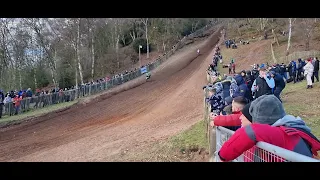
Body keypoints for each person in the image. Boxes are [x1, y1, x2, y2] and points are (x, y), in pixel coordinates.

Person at [217, 95, 320, 162]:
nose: (241, 118)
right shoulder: (287, 126)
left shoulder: (278, 132)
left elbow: (250, 132)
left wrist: (222, 156)